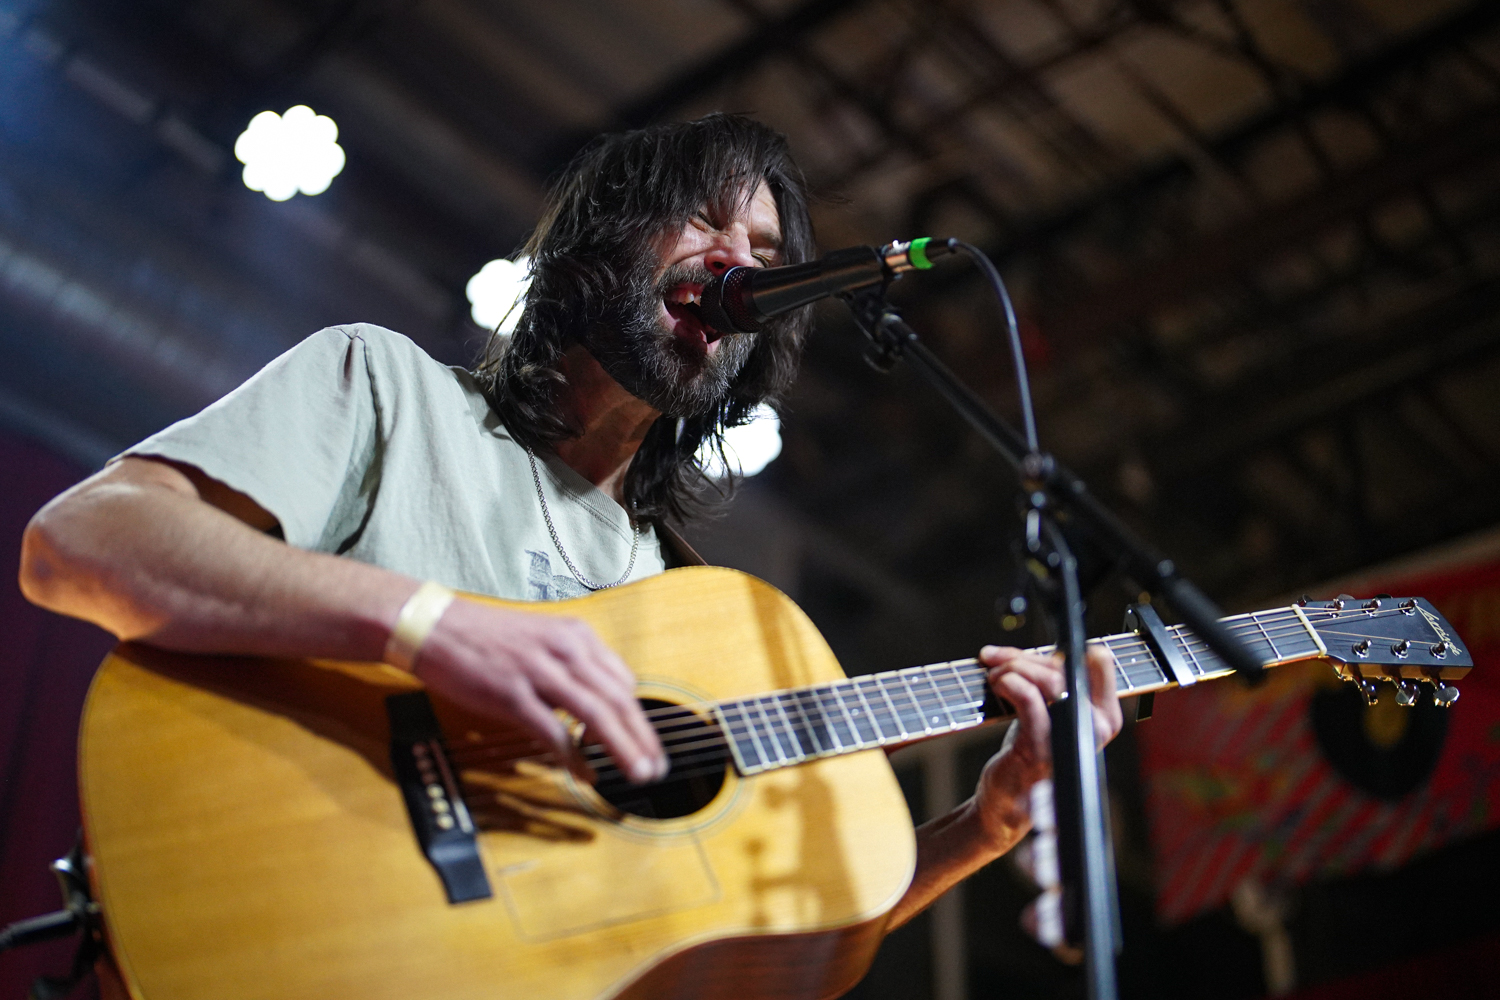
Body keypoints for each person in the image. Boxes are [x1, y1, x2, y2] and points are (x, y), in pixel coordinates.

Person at [19, 114, 1120, 937]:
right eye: (708, 219)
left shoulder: (691, 608)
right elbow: (81, 543)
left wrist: (983, 826)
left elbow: (774, 950)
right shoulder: (386, 388)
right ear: (608, 236)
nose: (740, 262)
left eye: (766, 250)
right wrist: (430, 624)